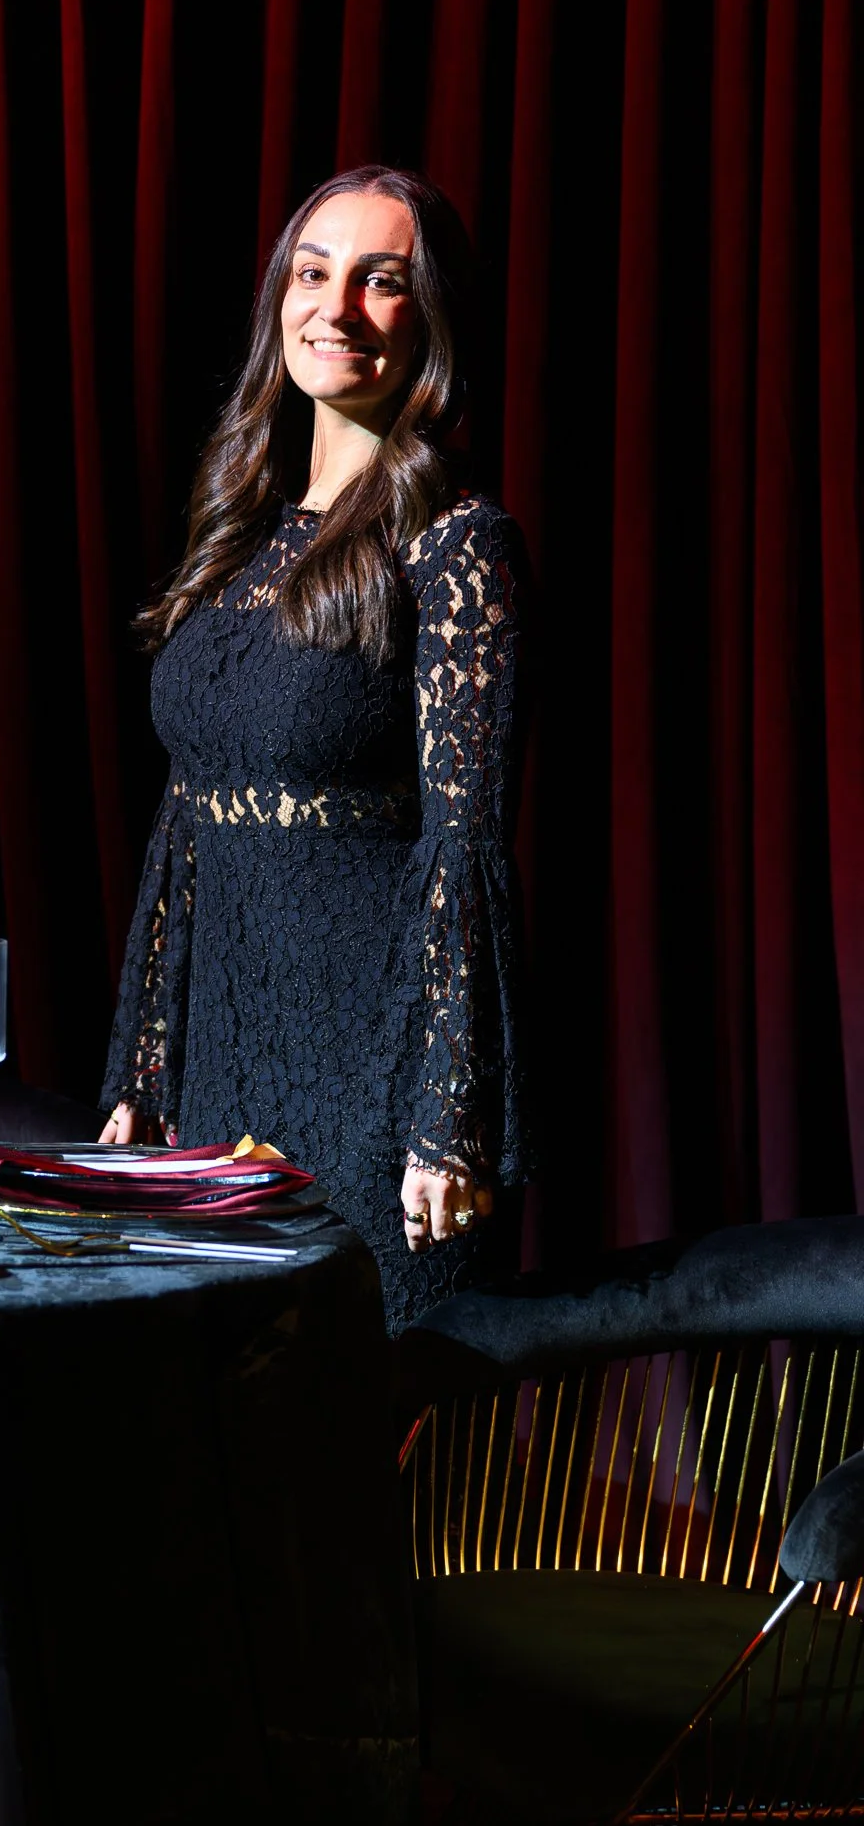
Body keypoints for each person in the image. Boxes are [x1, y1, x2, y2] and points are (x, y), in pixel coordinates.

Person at [100, 164, 530, 1327]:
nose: (334, 309)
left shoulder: (455, 549)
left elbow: (463, 851)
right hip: (222, 1082)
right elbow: (187, 818)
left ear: (428, 322)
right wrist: (143, 1066)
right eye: (311, 273)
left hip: (373, 1097)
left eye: (379, 281)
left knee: (361, 1425)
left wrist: (446, 1116)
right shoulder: (242, 539)